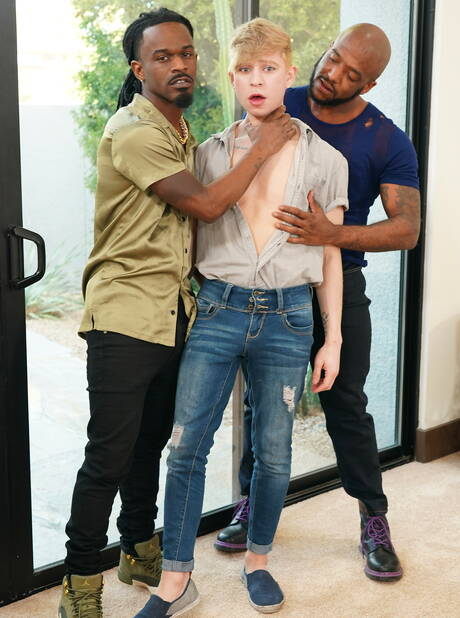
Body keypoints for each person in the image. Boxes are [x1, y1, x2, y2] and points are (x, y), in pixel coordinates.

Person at [58, 9, 296, 618]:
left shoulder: (181, 132)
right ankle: (80, 583)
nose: (180, 64)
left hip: (173, 312)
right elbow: (207, 205)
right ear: (139, 70)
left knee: (149, 445)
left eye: (186, 53)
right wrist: (264, 147)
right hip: (123, 314)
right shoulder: (134, 130)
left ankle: (139, 549)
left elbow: (185, 232)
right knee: (109, 454)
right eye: (163, 57)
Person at [135, 18, 348, 618]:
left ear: (288, 74)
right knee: (186, 446)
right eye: (246, 70)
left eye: (269, 69)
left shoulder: (326, 159)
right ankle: (176, 579)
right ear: (232, 78)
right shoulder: (206, 156)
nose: (257, 80)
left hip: (289, 317)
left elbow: (330, 253)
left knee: (275, 452)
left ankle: (257, 561)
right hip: (218, 309)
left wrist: (332, 338)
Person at [215, 22, 421, 584]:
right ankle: (252, 505)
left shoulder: (386, 139)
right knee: (261, 404)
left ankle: (374, 520)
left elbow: (406, 229)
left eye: (352, 73)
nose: (333, 74)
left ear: (369, 84)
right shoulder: (282, 99)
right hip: (270, 283)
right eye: (333, 58)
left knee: (346, 405)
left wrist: (332, 234)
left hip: (339, 282)